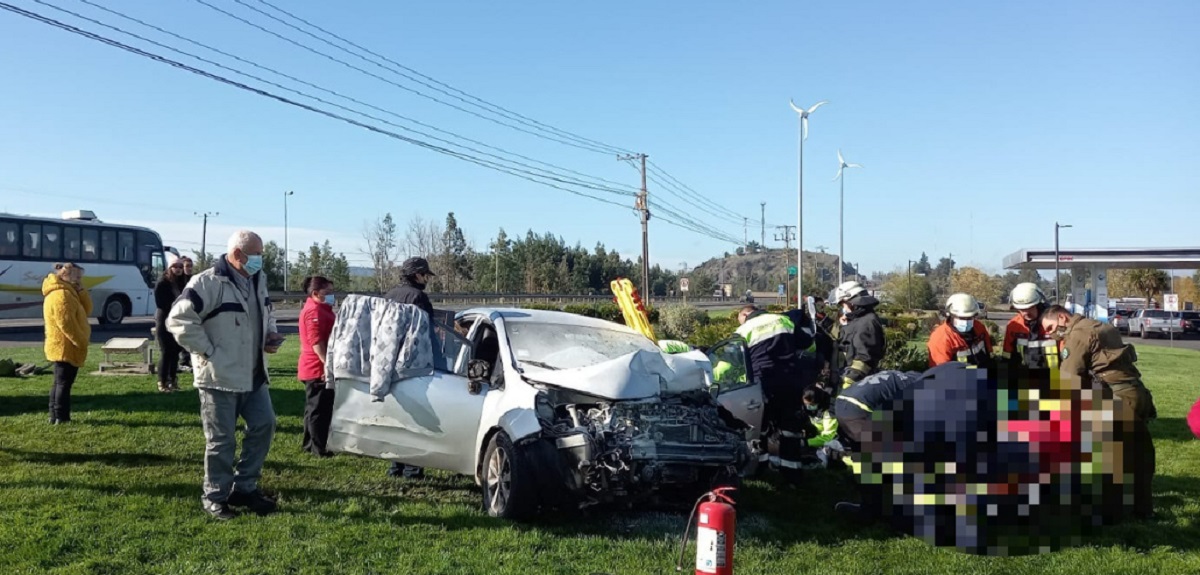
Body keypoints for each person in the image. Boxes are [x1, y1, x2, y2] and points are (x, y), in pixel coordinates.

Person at [167, 230, 282, 520]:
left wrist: (270, 334)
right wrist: (208, 352)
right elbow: (178, 320)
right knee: (221, 441)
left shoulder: (258, 279)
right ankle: (215, 496)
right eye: (257, 254)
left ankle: (245, 487)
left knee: (264, 425)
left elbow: (267, 312)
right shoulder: (207, 282)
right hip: (218, 377)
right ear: (237, 254)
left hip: (253, 374)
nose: (261, 260)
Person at [1040, 304, 1157, 519]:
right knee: (1138, 455)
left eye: (1051, 328)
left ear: (1062, 317)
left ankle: (1112, 512)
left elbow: (1069, 377)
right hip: (1136, 394)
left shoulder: (1078, 335)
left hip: (1118, 398)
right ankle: (1142, 508)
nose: (1050, 334)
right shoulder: (1100, 326)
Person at [736, 305, 805, 478]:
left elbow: (738, 360)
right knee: (790, 428)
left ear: (746, 314)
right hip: (790, 379)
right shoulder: (783, 320)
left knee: (760, 426)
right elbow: (806, 342)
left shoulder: (743, 330)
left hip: (763, 381)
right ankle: (792, 474)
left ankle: (759, 469)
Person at [384, 257, 437, 479]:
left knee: (398, 416)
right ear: (417, 275)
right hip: (414, 364)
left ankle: (396, 466)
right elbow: (427, 331)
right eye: (425, 275)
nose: (427, 279)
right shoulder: (418, 297)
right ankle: (413, 469)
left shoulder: (390, 295)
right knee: (417, 418)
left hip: (389, 363)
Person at [43, 262, 92, 424]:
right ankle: (61, 417)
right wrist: (81, 341)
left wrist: (81, 291)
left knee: (59, 382)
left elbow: (87, 310)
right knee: (63, 383)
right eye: (76, 276)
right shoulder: (62, 295)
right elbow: (66, 324)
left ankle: (54, 415)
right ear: (66, 276)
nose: (79, 279)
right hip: (65, 345)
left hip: (63, 344)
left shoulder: (69, 292)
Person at [299, 276, 337, 457]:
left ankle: (309, 444)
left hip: (315, 366)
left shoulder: (321, 308)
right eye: (327, 292)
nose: (331, 295)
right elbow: (316, 341)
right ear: (315, 293)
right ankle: (319, 447)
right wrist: (327, 365)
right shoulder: (314, 311)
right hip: (316, 367)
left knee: (313, 408)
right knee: (319, 409)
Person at [832, 281, 885, 389]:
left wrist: (849, 380)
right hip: (848, 376)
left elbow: (864, 358)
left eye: (843, 304)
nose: (843, 307)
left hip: (858, 383)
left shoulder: (867, 323)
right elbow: (845, 339)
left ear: (851, 302)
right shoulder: (858, 320)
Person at [1002, 282, 1060, 372]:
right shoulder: (1013, 326)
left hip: (1054, 376)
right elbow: (1008, 355)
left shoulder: (1055, 323)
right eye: (1022, 309)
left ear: (1039, 304)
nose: (1026, 313)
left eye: (1030, 307)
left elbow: (1068, 356)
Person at [927, 293, 994, 369]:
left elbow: (989, 353)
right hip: (956, 376)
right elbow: (941, 372)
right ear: (950, 315)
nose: (966, 321)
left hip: (982, 372)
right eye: (961, 318)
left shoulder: (979, 327)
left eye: (970, 317)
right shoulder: (941, 338)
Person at [153, 253, 187, 392]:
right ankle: (162, 382)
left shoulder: (182, 282)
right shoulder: (162, 283)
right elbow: (160, 303)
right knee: (166, 352)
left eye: (180, 266)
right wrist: (176, 306)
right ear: (169, 268)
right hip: (164, 320)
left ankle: (172, 380)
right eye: (175, 266)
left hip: (178, 320)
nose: (178, 269)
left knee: (175, 351)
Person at [178, 256, 195, 372]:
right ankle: (182, 361)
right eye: (187, 266)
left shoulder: (194, 279)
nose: (189, 268)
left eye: (191, 266)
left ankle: (186, 360)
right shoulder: (179, 280)